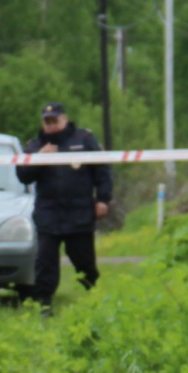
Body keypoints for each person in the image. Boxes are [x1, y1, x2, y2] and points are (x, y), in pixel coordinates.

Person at [14, 102, 111, 308]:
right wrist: (39, 158)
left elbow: (102, 170)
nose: (51, 125)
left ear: (64, 119)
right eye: (47, 121)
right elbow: (23, 176)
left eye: (55, 121)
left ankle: (93, 298)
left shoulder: (84, 140)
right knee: (45, 262)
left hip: (79, 214)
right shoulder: (35, 145)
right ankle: (44, 303)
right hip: (49, 214)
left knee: (84, 262)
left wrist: (103, 199)